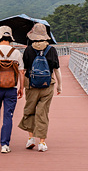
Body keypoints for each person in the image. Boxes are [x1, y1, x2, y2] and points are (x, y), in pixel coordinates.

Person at [19, 22, 61, 152]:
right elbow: (56, 70)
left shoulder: (28, 49)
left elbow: (23, 70)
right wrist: (59, 86)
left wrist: (20, 87)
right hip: (47, 85)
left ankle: (31, 138)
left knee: (30, 110)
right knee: (43, 113)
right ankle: (42, 143)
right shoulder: (52, 50)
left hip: (31, 85)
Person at [0, 25, 23, 153]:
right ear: (11, 38)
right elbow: (21, 72)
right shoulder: (17, 53)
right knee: (8, 116)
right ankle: (5, 145)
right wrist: (21, 88)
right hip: (11, 88)